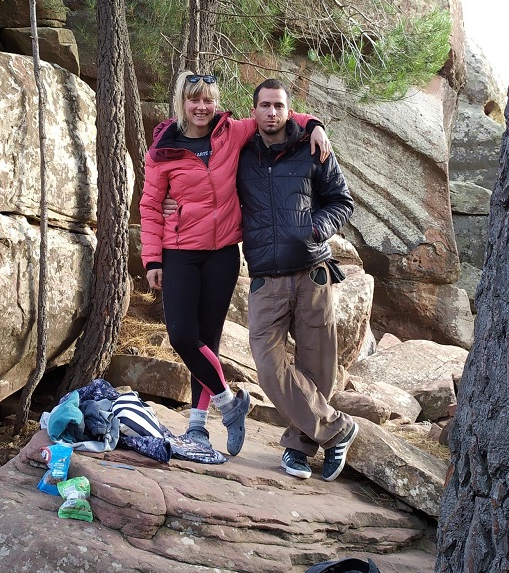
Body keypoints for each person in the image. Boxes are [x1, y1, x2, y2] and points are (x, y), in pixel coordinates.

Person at [140, 70, 330, 456]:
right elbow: (149, 207)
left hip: (224, 253)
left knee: (207, 338)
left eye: (208, 99)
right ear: (182, 102)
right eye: (194, 100)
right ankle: (229, 404)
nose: (202, 107)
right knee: (181, 337)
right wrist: (152, 259)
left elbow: (275, 116)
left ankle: (197, 427)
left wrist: (316, 125)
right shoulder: (163, 151)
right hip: (180, 251)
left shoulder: (232, 132)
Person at [236, 78, 357, 481]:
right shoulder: (240, 152)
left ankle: (298, 449)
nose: (272, 112)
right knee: (268, 364)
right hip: (266, 276)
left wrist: (317, 228)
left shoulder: (313, 148)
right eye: (264, 105)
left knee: (317, 365)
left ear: (289, 111)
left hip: (312, 271)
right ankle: (337, 429)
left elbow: (342, 200)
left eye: (279, 106)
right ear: (253, 111)